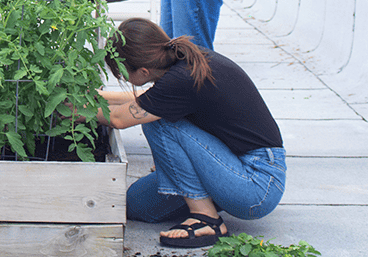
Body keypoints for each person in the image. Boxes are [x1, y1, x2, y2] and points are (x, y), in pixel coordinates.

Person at [95, 18, 285, 248]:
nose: (124, 79)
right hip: (232, 163)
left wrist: (75, 112)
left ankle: (207, 218)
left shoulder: (181, 78)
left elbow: (119, 119)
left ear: (143, 70)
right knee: (137, 204)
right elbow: (149, 98)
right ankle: (209, 195)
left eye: (123, 74)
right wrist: (97, 96)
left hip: (257, 184)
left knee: (159, 122)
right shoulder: (181, 59)